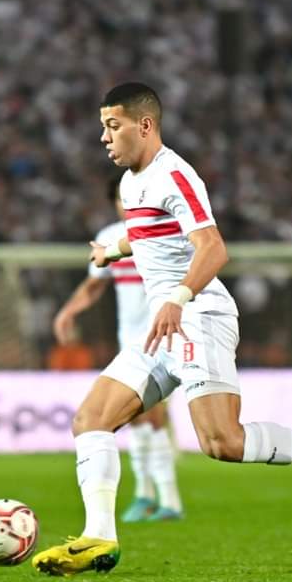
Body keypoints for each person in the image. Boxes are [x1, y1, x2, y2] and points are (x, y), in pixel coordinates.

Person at [32, 82, 292, 576]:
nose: (104, 137)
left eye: (113, 126)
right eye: (103, 127)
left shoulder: (175, 175)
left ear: (145, 125)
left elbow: (214, 248)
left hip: (198, 316)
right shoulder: (131, 184)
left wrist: (178, 298)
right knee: (90, 420)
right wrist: (112, 251)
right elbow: (152, 238)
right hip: (162, 325)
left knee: (222, 443)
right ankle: (99, 538)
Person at [52, 175, 184, 522]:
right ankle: (146, 494)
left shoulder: (164, 232)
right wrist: (68, 311)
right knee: (134, 419)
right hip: (130, 340)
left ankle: (169, 499)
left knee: (152, 416)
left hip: (164, 335)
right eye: (120, 200)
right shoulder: (111, 237)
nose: (126, 206)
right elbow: (94, 285)